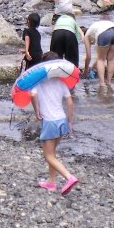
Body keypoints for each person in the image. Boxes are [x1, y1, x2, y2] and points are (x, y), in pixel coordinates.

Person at [31, 51, 78, 195]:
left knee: (49, 156)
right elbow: (70, 103)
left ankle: (69, 177)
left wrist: (37, 111)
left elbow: (33, 95)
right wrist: (70, 122)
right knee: (52, 153)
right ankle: (51, 182)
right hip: (62, 120)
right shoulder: (61, 82)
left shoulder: (39, 82)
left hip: (50, 122)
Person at [83, 19, 114, 89]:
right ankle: (109, 82)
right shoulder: (95, 27)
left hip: (104, 33)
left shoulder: (86, 36)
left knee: (101, 60)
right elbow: (103, 56)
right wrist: (92, 67)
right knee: (111, 59)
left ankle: (102, 83)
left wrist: (86, 70)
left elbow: (89, 57)